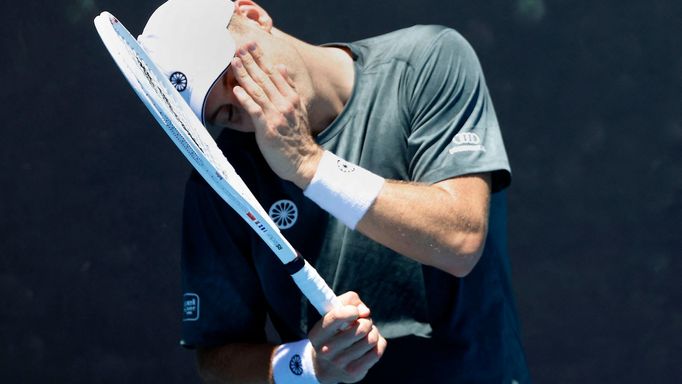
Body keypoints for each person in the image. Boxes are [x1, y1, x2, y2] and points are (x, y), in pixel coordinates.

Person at [139, 0, 530, 382]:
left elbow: (459, 240)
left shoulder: (428, 60)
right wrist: (307, 365)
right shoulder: (221, 179)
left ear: (253, 16)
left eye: (237, 73)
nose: (247, 101)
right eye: (226, 113)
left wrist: (309, 164)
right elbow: (217, 359)